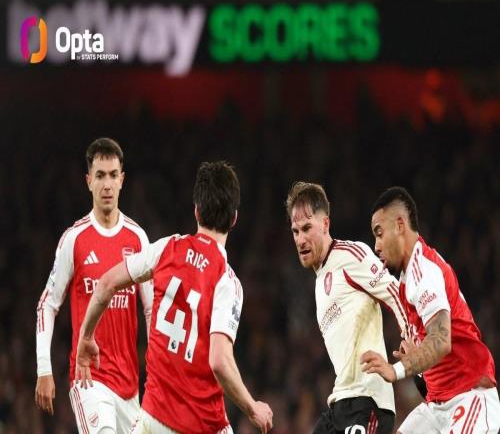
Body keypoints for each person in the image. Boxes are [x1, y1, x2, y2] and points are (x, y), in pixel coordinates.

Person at [75, 161, 273, 433]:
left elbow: (106, 283)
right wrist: (252, 407)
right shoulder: (227, 281)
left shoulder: (166, 249)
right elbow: (219, 361)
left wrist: (86, 337)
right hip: (203, 426)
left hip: (151, 420)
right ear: (234, 219)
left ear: (196, 211)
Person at [35, 138, 153, 433]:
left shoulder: (138, 239)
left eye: (113, 175)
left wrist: (158, 370)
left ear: (122, 180)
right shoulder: (74, 239)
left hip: (130, 386)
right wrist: (44, 368)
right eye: (100, 175)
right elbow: (47, 305)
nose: (107, 184)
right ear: (88, 181)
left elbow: (151, 309)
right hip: (89, 379)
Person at [362, 186, 500, 433]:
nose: (376, 246)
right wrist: (419, 360)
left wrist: (396, 370)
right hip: (437, 405)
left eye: (379, 234)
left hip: (469, 397)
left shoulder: (424, 271)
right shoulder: (408, 279)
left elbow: (441, 340)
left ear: (400, 225)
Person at [286, 181, 411, 434]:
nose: (300, 239)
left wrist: (412, 340)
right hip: (340, 402)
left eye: (307, 228)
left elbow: (396, 294)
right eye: (295, 231)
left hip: (368, 401)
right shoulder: (320, 281)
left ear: (325, 224)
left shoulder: (350, 255)